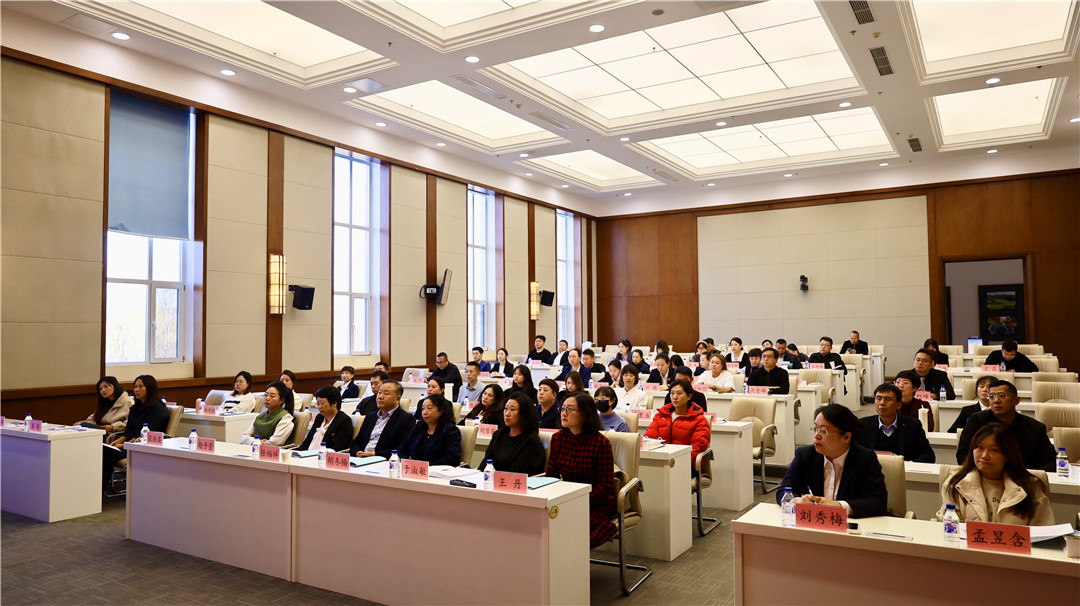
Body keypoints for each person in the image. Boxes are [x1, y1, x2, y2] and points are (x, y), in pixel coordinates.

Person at [776, 404, 889, 518]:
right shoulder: (805, 455)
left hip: (851, 524)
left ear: (846, 437)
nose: (816, 436)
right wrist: (797, 501)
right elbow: (783, 491)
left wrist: (839, 506)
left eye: (823, 431)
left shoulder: (865, 458)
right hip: (815, 522)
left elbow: (878, 502)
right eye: (815, 429)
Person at [939, 423, 1054, 526]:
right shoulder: (955, 484)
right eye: (979, 447)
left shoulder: (1029, 488)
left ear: (1008, 455)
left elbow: (1044, 532)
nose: (984, 455)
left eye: (994, 450)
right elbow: (950, 530)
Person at [545, 392, 616, 549]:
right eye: (562, 409)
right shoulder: (558, 439)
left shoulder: (601, 443)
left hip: (595, 503)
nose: (564, 413)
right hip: (566, 500)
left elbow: (605, 486)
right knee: (548, 530)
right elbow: (551, 476)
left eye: (570, 409)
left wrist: (579, 501)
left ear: (585, 414)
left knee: (579, 536)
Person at [956, 380, 1056, 471]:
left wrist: (1027, 477)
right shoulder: (977, 421)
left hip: (1022, 479)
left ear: (1016, 401)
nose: (996, 400)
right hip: (985, 476)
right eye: (992, 396)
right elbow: (962, 455)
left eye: (1002, 396)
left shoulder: (1035, 428)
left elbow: (1051, 462)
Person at [101, 375, 169, 489]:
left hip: (143, 446)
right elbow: (128, 431)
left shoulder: (157, 409)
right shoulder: (135, 408)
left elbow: (149, 435)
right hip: (129, 444)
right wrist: (118, 441)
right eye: (135, 387)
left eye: (141, 387)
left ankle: (101, 488)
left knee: (107, 455)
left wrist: (124, 445)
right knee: (102, 450)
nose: (137, 390)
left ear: (149, 388)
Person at [857, 384, 934, 463]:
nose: (882, 403)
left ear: (898, 405)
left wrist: (910, 463)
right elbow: (854, 453)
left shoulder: (912, 425)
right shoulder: (863, 425)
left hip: (903, 469)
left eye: (888, 399)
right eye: (878, 398)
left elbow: (928, 455)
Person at [645, 379, 710, 464]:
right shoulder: (661, 416)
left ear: (689, 396)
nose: (675, 397)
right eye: (672, 393)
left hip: (684, 463)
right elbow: (649, 439)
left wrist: (679, 462)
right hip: (659, 460)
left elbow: (697, 448)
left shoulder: (699, 420)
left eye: (679, 393)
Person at [481, 393, 546, 475]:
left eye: (512, 409)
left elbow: (519, 473)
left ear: (524, 413)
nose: (507, 414)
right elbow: (485, 464)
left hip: (513, 481)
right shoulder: (498, 435)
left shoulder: (531, 441)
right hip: (492, 480)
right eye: (506, 409)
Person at [349, 381, 414, 458]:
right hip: (360, 459)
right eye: (379, 393)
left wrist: (374, 454)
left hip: (384, 461)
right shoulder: (370, 416)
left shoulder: (406, 419)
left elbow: (402, 451)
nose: (380, 396)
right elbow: (356, 442)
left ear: (397, 399)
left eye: (386, 393)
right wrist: (357, 452)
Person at [399, 393, 462, 467]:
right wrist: (408, 463)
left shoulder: (450, 430)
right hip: (414, 470)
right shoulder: (420, 426)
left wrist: (426, 466)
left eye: (429, 408)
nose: (424, 412)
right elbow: (402, 449)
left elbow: (452, 458)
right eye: (423, 408)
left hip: (437, 471)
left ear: (441, 411)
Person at [240, 381, 296, 446]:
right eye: (266, 395)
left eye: (272, 396)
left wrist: (255, 442)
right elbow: (244, 437)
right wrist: (257, 442)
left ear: (281, 400)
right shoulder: (260, 416)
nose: (267, 398)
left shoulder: (286, 418)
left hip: (276, 451)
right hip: (256, 449)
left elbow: (275, 442)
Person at [298, 386, 352, 452]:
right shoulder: (319, 417)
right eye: (318, 404)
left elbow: (338, 448)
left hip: (323, 456)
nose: (319, 407)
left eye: (322, 403)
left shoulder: (344, 421)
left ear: (334, 403)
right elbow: (307, 442)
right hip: (307, 454)